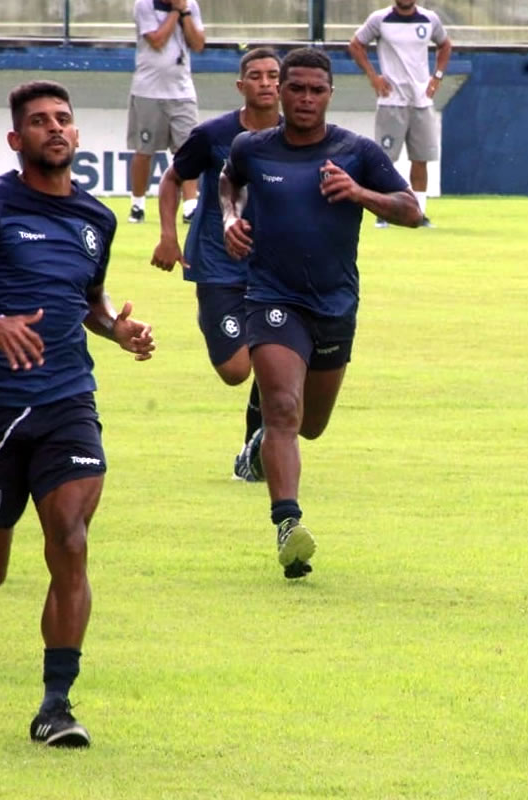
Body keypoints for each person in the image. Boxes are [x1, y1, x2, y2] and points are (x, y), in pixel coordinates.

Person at [0, 80, 154, 747]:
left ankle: (56, 704)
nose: (55, 128)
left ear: (75, 136)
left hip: (68, 401)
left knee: (70, 542)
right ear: (17, 140)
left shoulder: (95, 220)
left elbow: (90, 302)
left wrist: (118, 330)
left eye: (64, 119)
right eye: (41, 121)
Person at [220, 48, 420, 579]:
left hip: (334, 304)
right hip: (271, 297)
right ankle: (288, 526)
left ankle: (261, 447)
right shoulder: (252, 148)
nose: (305, 98)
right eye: (296, 88)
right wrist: (230, 219)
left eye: (316, 90)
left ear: (330, 94)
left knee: (310, 425)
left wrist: (358, 193)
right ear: (279, 92)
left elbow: (412, 210)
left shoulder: (355, 152)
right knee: (283, 407)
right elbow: (229, 181)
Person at [150, 48, 281, 480]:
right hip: (218, 265)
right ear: (241, 86)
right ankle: (217, 324)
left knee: (273, 357)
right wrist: (168, 236)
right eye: (256, 76)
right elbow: (172, 179)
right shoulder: (213, 135)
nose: (266, 83)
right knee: (236, 370)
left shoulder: (296, 137)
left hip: (272, 269)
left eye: (273, 75)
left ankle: (254, 450)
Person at [349, 1, 451, 227]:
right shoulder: (380, 19)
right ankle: (383, 213)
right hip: (391, 101)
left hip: (421, 101)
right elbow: (356, 44)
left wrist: (437, 77)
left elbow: (445, 45)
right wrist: (373, 76)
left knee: (420, 159)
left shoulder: (429, 19)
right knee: (385, 160)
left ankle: (419, 214)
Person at [126, 0, 204, 225]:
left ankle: (190, 206)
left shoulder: (190, 6)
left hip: (182, 92)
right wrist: (174, 12)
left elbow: (198, 44)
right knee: (144, 150)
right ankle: (138, 205)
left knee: (188, 149)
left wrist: (186, 12)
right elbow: (157, 40)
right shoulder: (144, 5)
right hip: (147, 91)